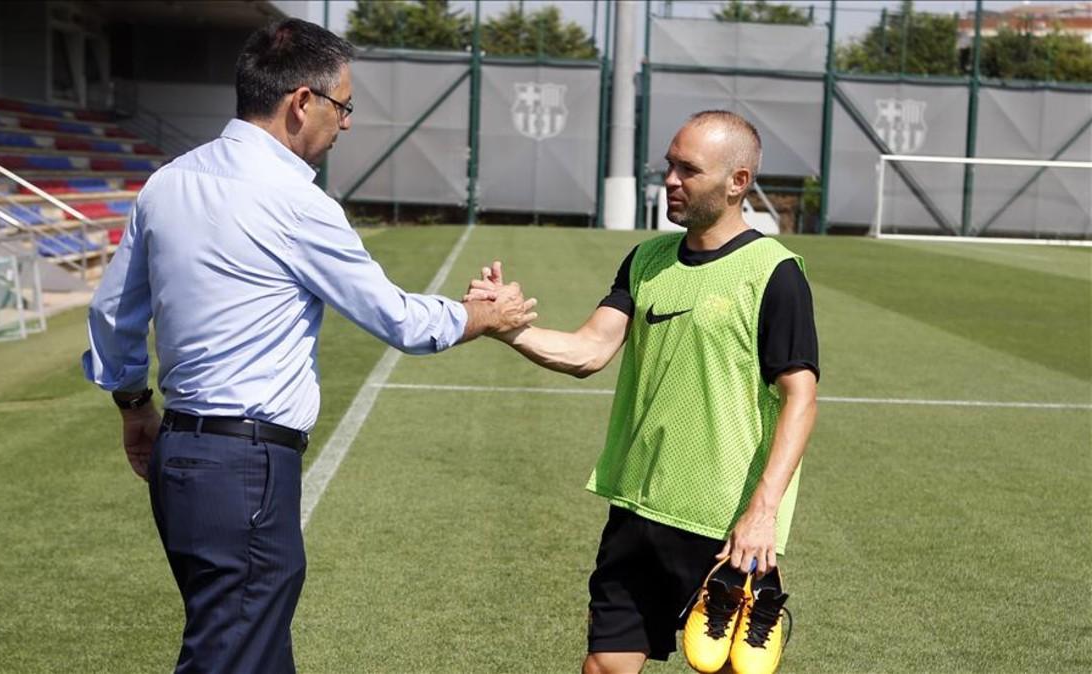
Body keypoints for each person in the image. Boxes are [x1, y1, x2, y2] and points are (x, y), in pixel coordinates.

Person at [82, 18, 535, 673]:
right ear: (302, 102)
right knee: (232, 654)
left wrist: (133, 405)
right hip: (247, 469)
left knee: (253, 648)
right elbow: (400, 320)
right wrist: (481, 315)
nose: (345, 123)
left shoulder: (168, 181)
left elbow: (112, 313)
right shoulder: (296, 201)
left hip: (180, 459)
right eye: (343, 106)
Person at [466, 111, 819, 674]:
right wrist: (505, 327)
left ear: (738, 181)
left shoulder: (774, 273)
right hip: (637, 504)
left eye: (689, 170)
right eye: (669, 166)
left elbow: (801, 397)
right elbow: (589, 350)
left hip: (724, 522)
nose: (671, 181)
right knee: (605, 664)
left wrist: (763, 513)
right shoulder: (647, 259)